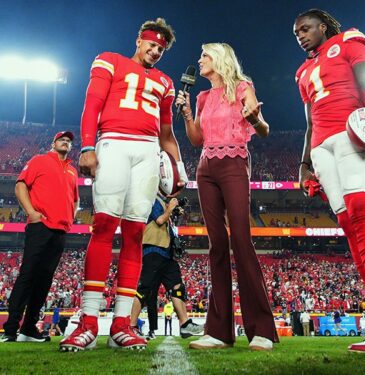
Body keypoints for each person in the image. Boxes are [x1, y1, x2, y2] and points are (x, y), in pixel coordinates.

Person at [60, 18, 187, 352]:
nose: (156, 51)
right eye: (152, 44)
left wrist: (179, 166)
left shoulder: (165, 82)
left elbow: (166, 132)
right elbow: (92, 106)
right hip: (113, 142)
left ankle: (121, 323)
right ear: (139, 40)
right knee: (104, 225)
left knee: (134, 233)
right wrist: (87, 146)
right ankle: (88, 320)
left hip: (148, 152)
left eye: (161, 48)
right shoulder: (109, 61)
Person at [292, 9, 365, 357]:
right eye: (296, 32)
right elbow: (310, 120)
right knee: (347, 223)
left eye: (305, 28)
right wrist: (303, 164)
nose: (300, 35)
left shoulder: (347, 40)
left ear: (323, 26)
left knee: (362, 211)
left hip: (349, 133)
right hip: (320, 148)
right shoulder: (302, 71)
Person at [176, 42, 277, 351]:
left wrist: (255, 117)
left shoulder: (243, 87)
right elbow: (196, 140)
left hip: (234, 163)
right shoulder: (203, 96)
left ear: (219, 60)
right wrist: (187, 113)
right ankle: (218, 331)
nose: (199, 60)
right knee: (216, 246)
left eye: (204, 55)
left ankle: (261, 329)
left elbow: (263, 130)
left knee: (241, 241)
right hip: (205, 168)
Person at [1, 131, 79, 343]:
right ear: (53, 143)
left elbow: (75, 200)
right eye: (62, 139)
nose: (66, 142)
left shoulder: (72, 171)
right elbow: (20, 185)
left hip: (60, 230)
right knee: (28, 275)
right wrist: (31, 212)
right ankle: (10, 328)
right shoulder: (39, 160)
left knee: (44, 281)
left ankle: (28, 328)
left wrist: (71, 218)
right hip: (40, 226)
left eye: (69, 141)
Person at [129, 196, 204, 340]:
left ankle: (185, 324)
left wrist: (173, 212)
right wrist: (170, 208)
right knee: (145, 289)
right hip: (153, 250)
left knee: (177, 286)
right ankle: (131, 326)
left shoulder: (163, 202)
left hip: (167, 253)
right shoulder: (153, 200)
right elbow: (159, 220)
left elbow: (166, 221)